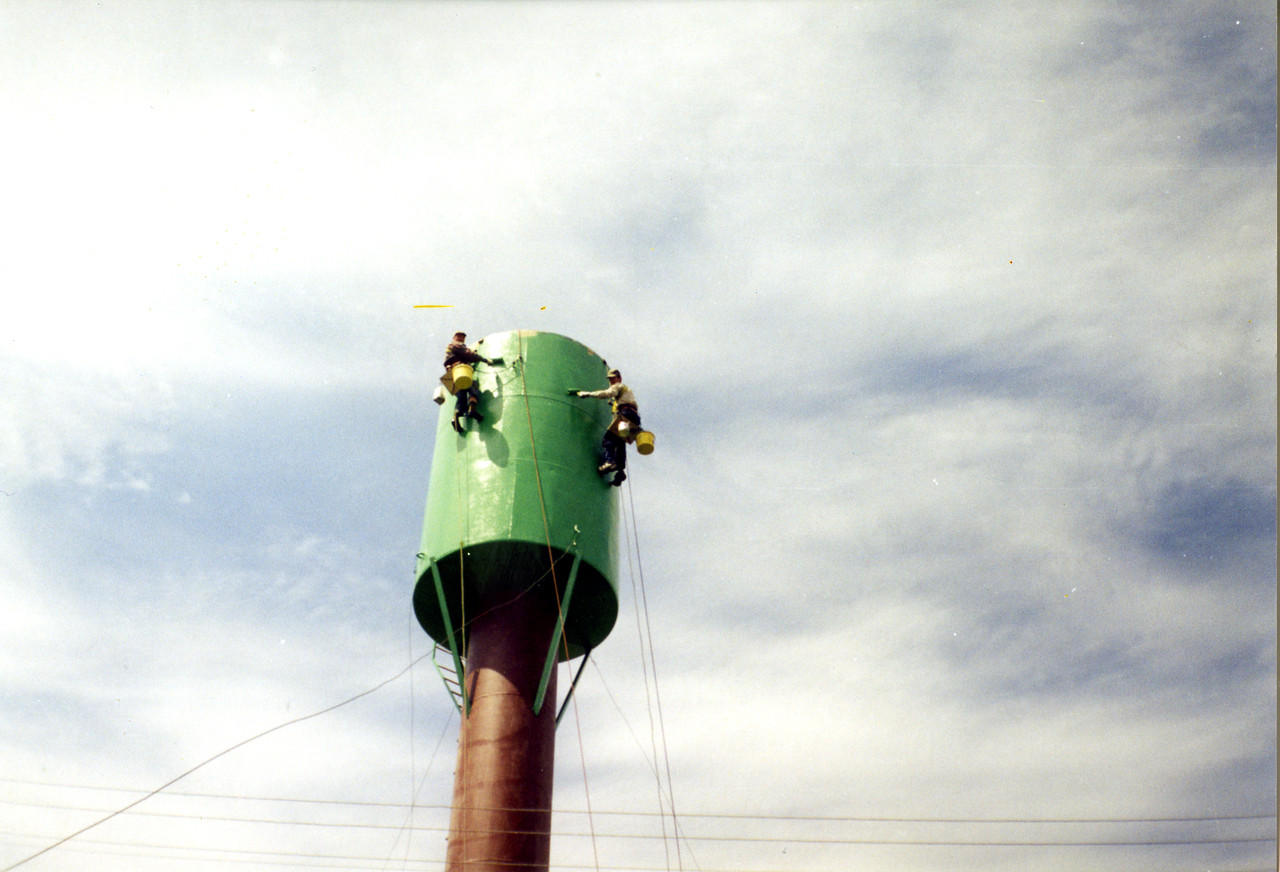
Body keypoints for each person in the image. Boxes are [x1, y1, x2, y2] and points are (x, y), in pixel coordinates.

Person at [572, 369, 640, 487]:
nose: (612, 381)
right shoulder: (626, 393)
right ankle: (620, 472)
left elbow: (607, 394)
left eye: (613, 378)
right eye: (610, 379)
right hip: (633, 418)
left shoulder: (619, 386)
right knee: (620, 442)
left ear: (619, 378)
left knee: (608, 440)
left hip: (626, 413)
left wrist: (589, 394)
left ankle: (609, 462)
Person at [443, 331, 495, 432]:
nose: (461, 338)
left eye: (463, 337)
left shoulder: (451, 350)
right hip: (459, 371)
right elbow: (469, 354)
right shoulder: (455, 345)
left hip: (449, 377)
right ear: (454, 337)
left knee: (461, 399)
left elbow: (466, 357)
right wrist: (484, 360)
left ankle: (455, 417)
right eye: (459, 336)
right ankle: (472, 410)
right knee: (474, 387)